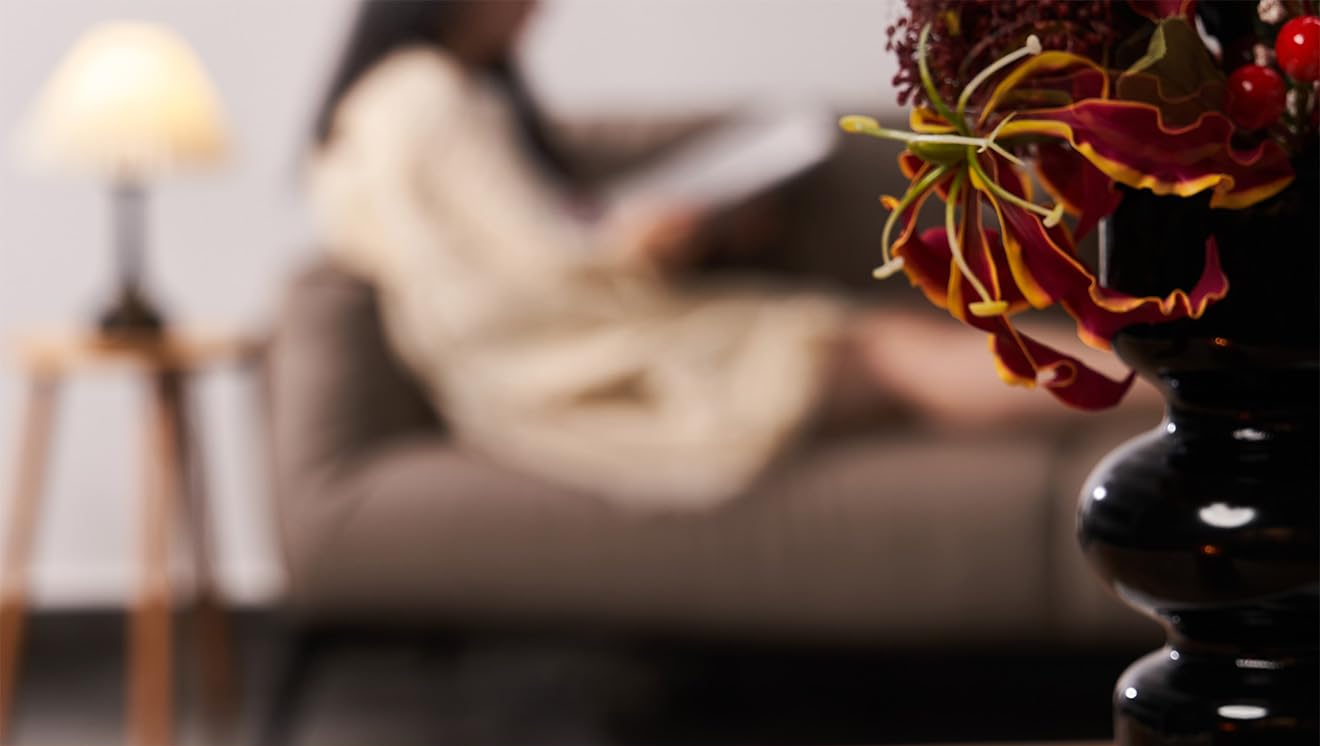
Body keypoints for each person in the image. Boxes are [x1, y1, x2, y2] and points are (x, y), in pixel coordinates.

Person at [307, 0, 1067, 510]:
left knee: (901, 342)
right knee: (899, 349)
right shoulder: (423, 98)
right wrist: (629, 247)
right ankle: (1171, 383)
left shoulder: (442, 94)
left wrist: (660, 237)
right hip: (564, 359)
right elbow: (515, 269)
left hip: (579, 329)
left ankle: (1159, 379)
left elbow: (526, 236)